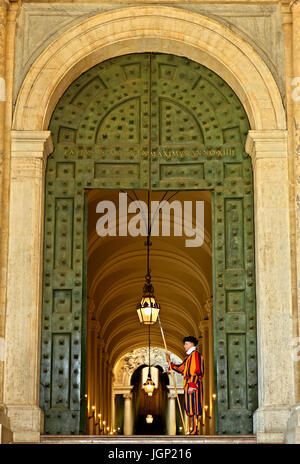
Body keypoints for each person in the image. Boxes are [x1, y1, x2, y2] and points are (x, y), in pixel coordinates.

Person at [166, 336, 204, 435]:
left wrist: (192, 385)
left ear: (192, 344)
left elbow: (196, 371)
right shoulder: (188, 357)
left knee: (195, 406)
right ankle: (193, 428)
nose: (184, 346)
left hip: (193, 384)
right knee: (190, 407)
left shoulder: (195, 355)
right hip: (188, 384)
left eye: (186, 344)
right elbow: (182, 369)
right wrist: (170, 362)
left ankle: (196, 428)